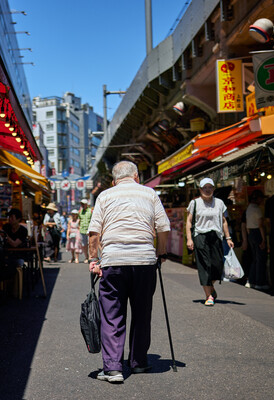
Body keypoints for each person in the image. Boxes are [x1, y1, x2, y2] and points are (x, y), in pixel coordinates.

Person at [88, 161, 170, 383]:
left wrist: (94, 259)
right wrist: (161, 253)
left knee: (112, 314)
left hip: (113, 261)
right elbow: (163, 227)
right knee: (142, 312)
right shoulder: (149, 193)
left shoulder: (104, 196)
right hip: (144, 261)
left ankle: (113, 368)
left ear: (113, 181)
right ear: (136, 176)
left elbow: (94, 232)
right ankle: (138, 362)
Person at [186, 178, 234, 306]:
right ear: (200, 189)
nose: (207, 190)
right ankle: (209, 296)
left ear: (213, 189)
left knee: (217, 266)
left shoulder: (219, 203)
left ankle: (211, 288)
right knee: (204, 266)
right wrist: (189, 239)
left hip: (216, 237)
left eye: (210, 187)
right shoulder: (195, 203)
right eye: (205, 188)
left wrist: (228, 237)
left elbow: (224, 220)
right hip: (200, 236)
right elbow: (189, 221)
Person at [0, 208, 28, 282]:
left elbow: (15, 244)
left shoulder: (23, 231)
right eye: (9, 217)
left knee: (11, 265)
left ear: (18, 219)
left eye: (12, 217)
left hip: (18, 256)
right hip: (6, 255)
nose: (10, 219)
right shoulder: (6, 227)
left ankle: (11, 287)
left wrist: (5, 235)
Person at [245, 189, 269, 290]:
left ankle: (251, 280)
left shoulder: (249, 208)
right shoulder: (257, 209)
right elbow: (260, 225)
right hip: (257, 233)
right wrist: (263, 239)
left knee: (255, 258)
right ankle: (260, 282)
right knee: (261, 259)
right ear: (258, 199)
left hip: (251, 233)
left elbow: (247, 224)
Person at [78, 198, 92, 263]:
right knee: (84, 245)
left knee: (90, 244)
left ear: (86, 204)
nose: (82, 205)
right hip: (82, 230)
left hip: (90, 230)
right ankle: (86, 257)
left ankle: (91, 257)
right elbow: (79, 220)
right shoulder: (80, 211)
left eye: (83, 204)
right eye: (81, 204)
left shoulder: (90, 211)